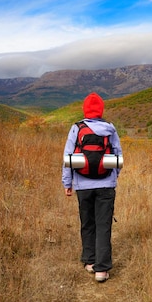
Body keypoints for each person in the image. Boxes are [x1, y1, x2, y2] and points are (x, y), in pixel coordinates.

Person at [62, 92, 122, 282]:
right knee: (103, 225)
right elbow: (118, 156)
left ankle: (89, 261)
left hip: (82, 184)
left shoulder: (76, 128)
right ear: (101, 110)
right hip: (106, 185)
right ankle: (101, 270)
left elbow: (68, 157)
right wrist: (114, 177)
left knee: (87, 223)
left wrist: (67, 183)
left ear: (85, 110)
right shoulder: (110, 129)